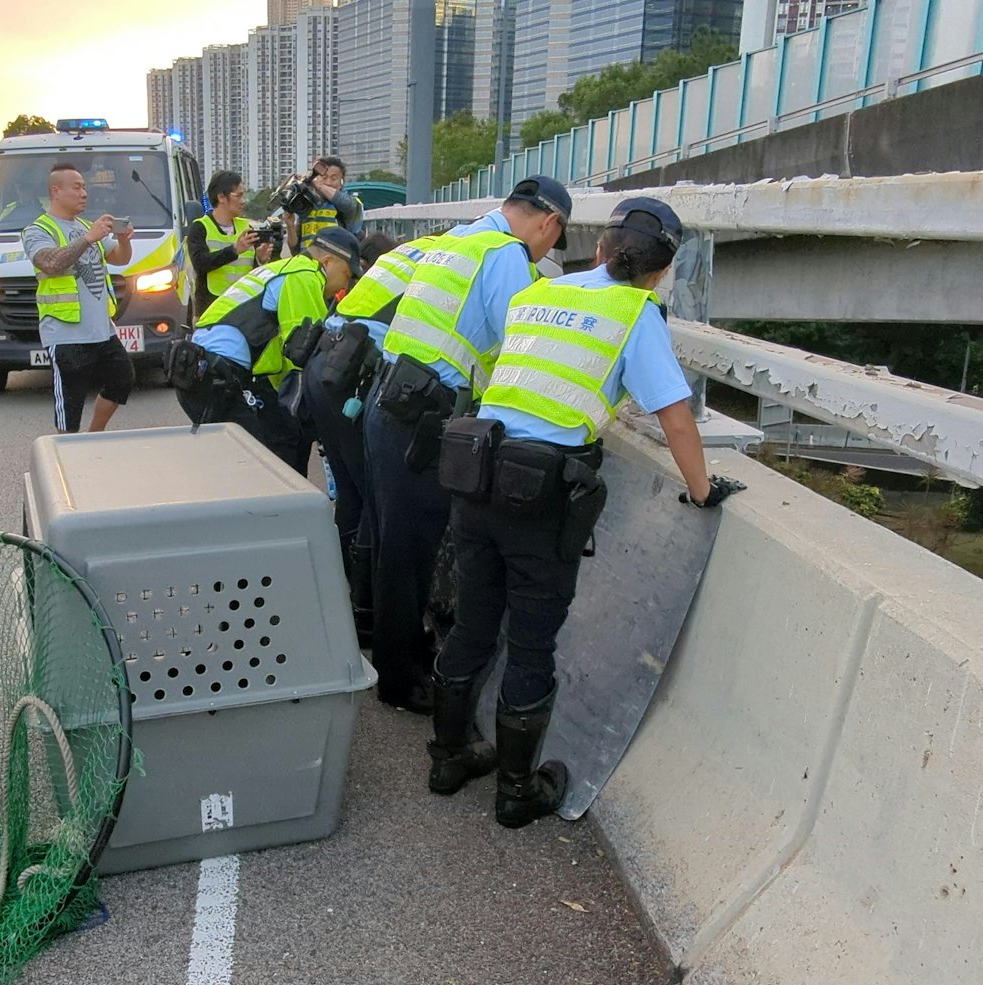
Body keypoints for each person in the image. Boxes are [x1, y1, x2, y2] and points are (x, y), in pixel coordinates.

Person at [424, 196, 745, 828]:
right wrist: (703, 490)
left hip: (477, 474)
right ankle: (517, 791)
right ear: (661, 273)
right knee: (533, 644)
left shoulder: (544, 293)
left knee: (473, 624)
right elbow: (675, 416)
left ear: (599, 248)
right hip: (538, 497)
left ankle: (448, 759)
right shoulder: (635, 314)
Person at [362, 176, 568, 714]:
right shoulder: (504, 255)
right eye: (553, 240)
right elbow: (519, 343)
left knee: (393, 545)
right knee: (410, 554)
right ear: (548, 223)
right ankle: (400, 681)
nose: (545, 253)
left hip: (391, 402)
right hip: (422, 419)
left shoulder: (458, 240)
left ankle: (400, 654)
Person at [297, 231, 438, 644]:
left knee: (353, 494)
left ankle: (347, 602)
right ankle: (366, 614)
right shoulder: (445, 270)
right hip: (351, 374)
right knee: (374, 502)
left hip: (325, 363)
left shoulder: (401, 262)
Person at [174, 226, 364, 468]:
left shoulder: (283, 268)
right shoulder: (305, 275)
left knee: (267, 446)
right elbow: (308, 354)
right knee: (272, 461)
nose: (343, 287)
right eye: (347, 275)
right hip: (219, 375)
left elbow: (282, 359)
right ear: (327, 261)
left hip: (203, 370)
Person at [23, 162, 136, 434]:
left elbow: (119, 259)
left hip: (101, 330)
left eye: (84, 187)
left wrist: (123, 240)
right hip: (66, 334)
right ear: (56, 192)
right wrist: (87, 238)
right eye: (76, 187)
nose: (84, 193)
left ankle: (94, 434)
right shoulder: (38, 230)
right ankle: (66, 455)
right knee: (70, 407)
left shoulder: (87, 226)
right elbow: (51, 263)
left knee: (123, 378)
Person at [186, 170, 274, 317]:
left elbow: (250, 271)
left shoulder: (246, 227)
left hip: (242, 307)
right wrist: (234, 250)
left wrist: (260, 260)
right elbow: (200, 264)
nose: (243, 200)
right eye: (238, 195)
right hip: (212, 309)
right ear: (221, 197)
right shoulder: (200, 227)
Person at [285, 155, 363, 256]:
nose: (328, 182)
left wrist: (318, 184)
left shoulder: (350, 202)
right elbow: (294, 247)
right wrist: (290, 225)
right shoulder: (307, 207)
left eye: (333, 178)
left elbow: (345, 203)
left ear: (341, 182)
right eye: (324, 177)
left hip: (334, 264)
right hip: (308, 265)